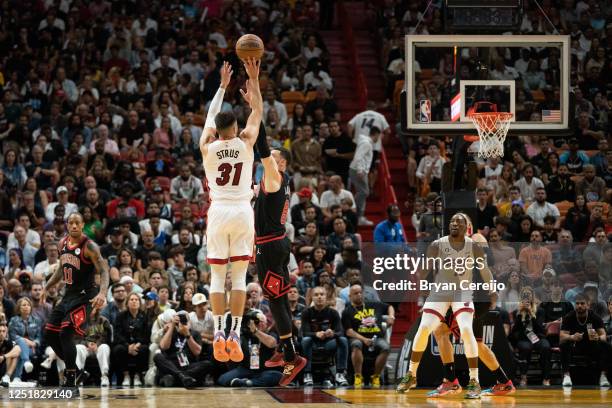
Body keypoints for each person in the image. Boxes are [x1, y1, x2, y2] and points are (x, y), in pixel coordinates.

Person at [200, 60, 261, 364]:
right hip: (242, 212)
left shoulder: (208, 146)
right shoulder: (247, 143)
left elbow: (211, 118)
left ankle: (220, 331)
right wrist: (254, 81)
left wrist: (222, 87)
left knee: (215, 277)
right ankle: (235, 332)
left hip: (218, 211)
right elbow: (258, 114)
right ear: (235, 129)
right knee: (239, 278)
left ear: (217, 131)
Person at [397, 213, 494, 398]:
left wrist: (492, 291)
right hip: (440, 292)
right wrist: (417, 269)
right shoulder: (437, 244)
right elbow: (423, 271)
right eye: (452, 221)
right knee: (424, 328)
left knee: (466, 330)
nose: (455, 223)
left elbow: (485, 270)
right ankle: (411, 375)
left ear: (467, 227)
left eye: (459, 221)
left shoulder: (474, 245)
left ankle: (474, 381)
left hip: (462, 292)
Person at [251, 119, 306, 386]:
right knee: (281, 299)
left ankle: (290, 356)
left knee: (274, 301)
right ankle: (289, 350)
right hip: (276, 242)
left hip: (270, 246)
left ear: (281, 163)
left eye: (272, 158)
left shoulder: (274, 175)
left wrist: (256, 112)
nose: (267, 161)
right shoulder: (274, 182)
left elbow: (261, 145)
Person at [43, 212, 109, 391]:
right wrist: (47, 286)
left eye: (77, 223)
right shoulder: (62, 243)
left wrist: (102, 293)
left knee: (65, 332)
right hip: (68, 295)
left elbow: (103, 271)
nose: (73, 226)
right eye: (70, 222)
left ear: (82, 225)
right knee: (50, 333)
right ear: (67, 225)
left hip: (86, 296)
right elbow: (61, 269)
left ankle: (71, 379)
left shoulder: (90, 246)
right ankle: (78, 371)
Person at [342, 283, 394, 389]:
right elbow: (349, 332)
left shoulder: (373, 304)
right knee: (356, 344)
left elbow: (389, 306)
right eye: (356, 293)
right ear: (350, 296)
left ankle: (376, 376)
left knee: (386, 347)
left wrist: (391, 317)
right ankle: (358, 376)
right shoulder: (347, 311)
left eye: (361, 292)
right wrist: (364, 339)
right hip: (358, 338)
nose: (359, 295)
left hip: (376, 337)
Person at [300, 286, 349, 387]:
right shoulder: (306, 312)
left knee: (343, 340)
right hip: (312, 343)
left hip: (328, 343)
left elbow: (340, 331)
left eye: (322, 294)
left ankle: (340, 373)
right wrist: (316, 334)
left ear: (326, 297)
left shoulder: (333, 313)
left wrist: (332, 333)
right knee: (305, 340)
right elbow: (304, 332)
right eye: (316, 295)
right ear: (312, 298)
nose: (319, 297)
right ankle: (307, 373)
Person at [560, 293, 611, 387]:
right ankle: (566, 375)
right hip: (575, 346)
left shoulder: (595, 317)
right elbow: (562, 336)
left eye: (582, 303)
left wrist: (598, 337)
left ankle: (603, 376)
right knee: (564, 345)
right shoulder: (569, 317)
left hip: (591, 345)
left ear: (588, 304)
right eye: (577, 303)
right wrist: (571, 337)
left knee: (606, 345)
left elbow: (604, 335)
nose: (579, 306)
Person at [154, 310, 212, 388]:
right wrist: (172, 326)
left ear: (190, 322)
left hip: (188, 366)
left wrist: (187, 335)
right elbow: (163, 346)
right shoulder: (171, 332)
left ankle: (176, 378)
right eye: (181, 321)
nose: (183, 323)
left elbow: (197, 352)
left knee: (207, 364)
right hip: (172, 365)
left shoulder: (195, 334)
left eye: (185, 321)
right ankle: (182, 377)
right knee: (157, 357)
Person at [348, 126, 380, 226]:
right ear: (376, 135)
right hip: (357, 170)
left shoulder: (365, 142)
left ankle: (357, 215)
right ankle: (356, 215)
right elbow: (358, 157)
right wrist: (360, 170)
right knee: (364, 192)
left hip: (360, 170)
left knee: (362, 192)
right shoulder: (366, 143)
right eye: (378, 136)